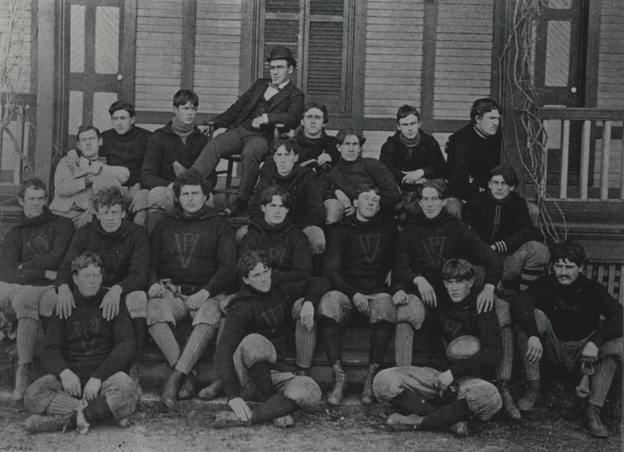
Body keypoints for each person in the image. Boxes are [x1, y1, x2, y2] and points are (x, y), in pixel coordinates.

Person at [373, 259, 502, 437]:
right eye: (450, 282)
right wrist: (399, 290)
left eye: (460, 282)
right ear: (444, 283)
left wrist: (454, 373)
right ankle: (448, 421)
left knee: (491, 396)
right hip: (434, 375)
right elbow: (400, 277)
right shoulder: (438, 301)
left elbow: (493, 353)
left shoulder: (482, 308)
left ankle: (420, 421)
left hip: (465, 380)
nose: (454, 288)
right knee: (382, 380)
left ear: (470, 282)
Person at [318, 185, 419, 406]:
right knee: (328, 302)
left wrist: (398, 287)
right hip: (347, 292)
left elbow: (399, 265)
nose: (371, 202)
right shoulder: (340, 230)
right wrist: (354, 294)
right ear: (355, 203)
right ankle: (339, 378)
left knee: (385, 305)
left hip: (377, 293)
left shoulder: (389, 230)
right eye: (366, 198)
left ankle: (370, 376)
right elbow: (330, 271)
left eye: (375, 199)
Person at [512, 240, 622, 438]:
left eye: (569, 267)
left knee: (615, 344)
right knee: (533, 317)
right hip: (552, 352)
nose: (563, 272)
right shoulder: (544, 284)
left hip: (584, 355)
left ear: (581, 267)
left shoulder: (592, 289)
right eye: (559, 266)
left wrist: (595, 342)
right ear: (553, 266)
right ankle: (533, 388)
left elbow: (619, 316)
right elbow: (520, 304)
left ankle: (593, 410)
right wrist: (533, 335)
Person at [146, 169, 237, 409]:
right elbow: (150, 263)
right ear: (177, 197)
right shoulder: (165, 225)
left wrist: (205, 292)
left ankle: (175, 379)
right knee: (154, 310)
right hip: (173, 293)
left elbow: (228, 268)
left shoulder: (219, 224)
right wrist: (154, 283)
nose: (190, 198)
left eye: (196, 193)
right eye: (185, 193)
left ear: (206, 196)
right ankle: (188, 373)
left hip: (207, 293)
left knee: (210, 314)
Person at [391, 179, 503, 370]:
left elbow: (492, 259)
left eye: (434, 198)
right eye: (425, 199)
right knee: (407, 312)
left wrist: (490, 286)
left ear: (443, 201)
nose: (430, 204)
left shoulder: (458, 228)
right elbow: (398, 269)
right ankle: (403, 373)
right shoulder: (410, 230)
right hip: (423, 295)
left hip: (451, 293)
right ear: (419, 202)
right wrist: (418, 280)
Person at [23, 253, 138, 434]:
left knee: (129, 390)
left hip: (104, 379)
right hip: (72, 380)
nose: (92, 281)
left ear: (101, 276)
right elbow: (50, 349)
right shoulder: (65, 303)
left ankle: (66, 421)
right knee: (32, 394)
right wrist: (65, 373)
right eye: (86, 276)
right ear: (75, 278)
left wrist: (98, 376)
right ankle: (98, 413)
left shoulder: (112, 300)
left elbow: (126, 346)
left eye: (96, 275)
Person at [212, 250, 327, 428]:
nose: (264, 278)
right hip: (248, 375)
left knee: (310, 389)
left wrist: (309, 302)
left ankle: (253, 416)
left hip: (275, 373)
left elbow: (320, 281)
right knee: (255, 342)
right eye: (257, 275)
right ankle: (271, 404)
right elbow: (223, 352)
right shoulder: (240, 307)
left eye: (266, 271)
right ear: (246, 279)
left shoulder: (280, 289)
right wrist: (233, 396)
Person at [190, 46, 305, 218]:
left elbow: (293, 118)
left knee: (250, 153)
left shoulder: (295, 95)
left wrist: (267, 118)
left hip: (264, 137)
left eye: (280, 67)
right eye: (272, 68)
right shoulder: (260, 84)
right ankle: (189, 183)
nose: (275, 72)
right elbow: (237, 108)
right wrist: (216, 122)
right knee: (216, 143)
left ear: (290, 69)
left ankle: (241, 202)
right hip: (241, 129)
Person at [55, 187, 149, 393]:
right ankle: (63, 367)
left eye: (115, 212)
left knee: (138, 298)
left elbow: (140, 276)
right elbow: (65, 268)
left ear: (123, 212)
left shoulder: (136, 234)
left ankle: (133, 367)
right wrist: (62, 288)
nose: (110, 218)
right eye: (105, 212)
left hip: (120, 291)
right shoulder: (85, 233)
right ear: (96, 213)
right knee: (52, 300)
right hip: (90, 292)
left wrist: (116, 289)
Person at [0, 178, 74, 402]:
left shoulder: (62, 225)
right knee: (24, 299)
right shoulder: (15, 235)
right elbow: (8, 273)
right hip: (29, 286)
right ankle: (24, 370)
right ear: (21, 200)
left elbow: (59, 257)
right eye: (31, 199)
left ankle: (57, 372)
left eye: (40, 198)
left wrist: (28, 266)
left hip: (55, 285)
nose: (36, 204)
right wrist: (42, 272)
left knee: (48, 301)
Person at [464, 165, 550, 291]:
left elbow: (528, 233)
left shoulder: (518, 203)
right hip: (480, 264)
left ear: (512, 187)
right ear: (489, 184)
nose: (499, 188)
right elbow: (466, 235)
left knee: (538, 250)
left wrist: (500, 245)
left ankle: (525, 297)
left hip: (507, 262)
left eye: (504, 183)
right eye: (495, 183)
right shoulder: (477, 201)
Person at [65, 101, 152, 224]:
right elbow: (87, 148)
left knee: (144, 198)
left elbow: (151, 167)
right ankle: (120, 222)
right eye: (115, 119)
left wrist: (140, 184)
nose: (119, 123)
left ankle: (136, 233)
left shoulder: (146, 137)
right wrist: (72, 152)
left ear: (132, 119)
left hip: (137, 187)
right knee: (103, 184)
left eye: (123, 118)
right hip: (114, 186)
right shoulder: (106, 137)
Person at [140, 90, 208, 232]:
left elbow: (210, 176)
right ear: (175, 109)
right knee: (156, 195)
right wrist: (170, 185)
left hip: (192, 193)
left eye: (194, 109)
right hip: (168, 191)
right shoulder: (159, 137)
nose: (190, 113)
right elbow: (146, 175)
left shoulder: (201, 139)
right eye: (186, 108)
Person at [248, 136, 326, 254]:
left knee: (316, 237)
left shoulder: (307, 177)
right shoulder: (266, 179)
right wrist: (269, 227)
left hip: (299, 227)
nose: (283, 160)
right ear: (274, 157)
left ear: (295, 157)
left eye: (287, 155)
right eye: (279, 155)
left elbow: (317, 212)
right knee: (242, 235)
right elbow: (254, 209)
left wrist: (293, 229)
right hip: (270, 228)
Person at [50, 125, 130, 228]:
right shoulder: (68, 162)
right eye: (84, 140)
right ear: (78, 145)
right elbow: (62, 189)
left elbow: (124, 175)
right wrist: (89, 179)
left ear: (100, 141)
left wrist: (96, 168)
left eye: (92, 139)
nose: (88, 143)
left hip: (88, 215)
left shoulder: (105, 164)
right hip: (63, 215)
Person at [319, 128, 401, 223]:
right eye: (347, 144)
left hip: (376, 218)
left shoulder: (372, 165)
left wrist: (361, 209)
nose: (351, 149)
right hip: (347, 222)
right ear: (338, 147)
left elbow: (391, 192)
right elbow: (320, 192)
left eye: (355, 144)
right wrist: (336, 192)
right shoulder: (331, 172)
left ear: (360, 148)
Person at [379, 105, 447, 218]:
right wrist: (409, 179)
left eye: (413, 123)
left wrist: (421, 172)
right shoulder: (390, 145)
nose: (410, 129)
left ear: (419, 123)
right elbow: (384, 170)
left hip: (424, 192)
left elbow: (442, 168)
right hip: (400, 192)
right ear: (398, 126)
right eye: (405, 125)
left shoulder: (430, 143)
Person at [445, 98, 502, 218]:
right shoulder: (460, 141)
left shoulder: (501, 136)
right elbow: (458, 183)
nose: (496, 123)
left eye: (498, 118)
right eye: (491, 118)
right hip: (467, 196)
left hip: (497, 193)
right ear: (477, 119)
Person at [292, 102, 339, 173]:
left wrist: (332, 158)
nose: (313, 121)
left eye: (317, 117)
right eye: (309, 117)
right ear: (302, 122)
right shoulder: (291, 143)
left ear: (324, 123)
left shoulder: (334, 143)